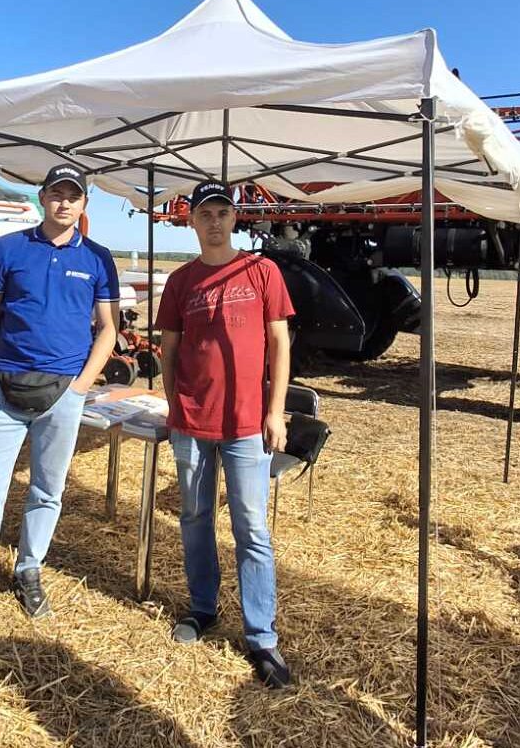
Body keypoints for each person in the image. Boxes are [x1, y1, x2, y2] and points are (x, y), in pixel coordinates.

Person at [0, 164, 120, 645]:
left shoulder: (98, 258)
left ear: (84, 203)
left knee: (47, 490)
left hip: (64, 392)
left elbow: (109, 327)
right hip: (4, 386)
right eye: (56, 193)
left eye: (73, 195)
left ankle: (29, 568)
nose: (64, 202)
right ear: (42, 197)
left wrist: (81, 385)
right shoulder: (9, 248)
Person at [155, 180, 295, 688]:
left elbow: (279, 343)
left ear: (235, 219)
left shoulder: (262, 271)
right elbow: (170, 350)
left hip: (246, 422)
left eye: (222, 212)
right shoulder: (180, 281)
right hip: (192, 422)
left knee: (251, 527)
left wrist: (275, 411)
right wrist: (176, 403)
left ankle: (261, 636)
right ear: (191, 221)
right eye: (205, 214)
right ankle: (202, 608)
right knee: (195, 516)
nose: (214, 221)